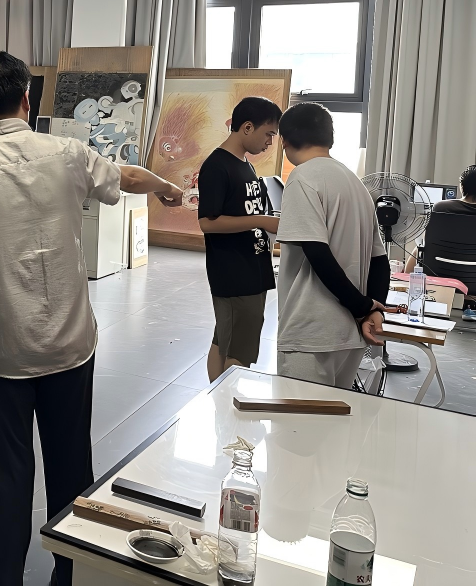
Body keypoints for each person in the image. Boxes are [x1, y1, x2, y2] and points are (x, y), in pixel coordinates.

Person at [0, 52, 184, 586]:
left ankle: (5, 579)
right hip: (69, 344)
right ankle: (70, 577)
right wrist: (164, 186)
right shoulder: (69, 153)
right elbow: (127, 176)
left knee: (7, 477)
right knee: (71, 468)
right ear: (26, 98)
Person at [275, 102, 389, 388]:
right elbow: (379, 260)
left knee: (300, 415)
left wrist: (363, 306)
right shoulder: (356, 184)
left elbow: (317, 253)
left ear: (284, 140)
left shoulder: (302, 178)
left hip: (311, 330)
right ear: (330, 138)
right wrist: (373, 310)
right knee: (337, 411)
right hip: (350, 334)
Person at [198, 97, 283, 381]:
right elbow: (207, 223)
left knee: (225, 339)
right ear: (247, 127)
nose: (270, 142)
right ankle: (227, 403)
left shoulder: (245, 164)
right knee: (239, 351)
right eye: (268, 134)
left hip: (251, 267)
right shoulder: (217, 166)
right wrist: (261, 220)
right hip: (234, 272)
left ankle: (216, 400)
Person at [414, 165, 476, 321]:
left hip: (438, 272)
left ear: (462, 186)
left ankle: (407, 294)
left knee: (420, 246)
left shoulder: (440, 207)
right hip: (473, 277)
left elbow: (428, 242)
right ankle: (471, 305)